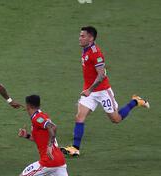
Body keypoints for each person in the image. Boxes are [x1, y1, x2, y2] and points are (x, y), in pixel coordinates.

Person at [61, 26, 150, 157]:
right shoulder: (86, 50)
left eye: (83, 36)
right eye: (80, 35)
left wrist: (89, 90)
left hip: (102, 92)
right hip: (89, 92)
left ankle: (135, 101)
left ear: (91, 38)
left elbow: (101, 75)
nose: (79, 38)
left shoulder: (96, 53)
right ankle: (75, 148)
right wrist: (88, 90)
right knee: (79, 117)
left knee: (116, 119)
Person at [18, 95, 95, 176]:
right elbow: (40, 138)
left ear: (28, 106)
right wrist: (27, 136)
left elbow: (53, 127)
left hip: (49, 160)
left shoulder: (38, 118)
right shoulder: (39, 117)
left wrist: (49, 145)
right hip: (58, 159)